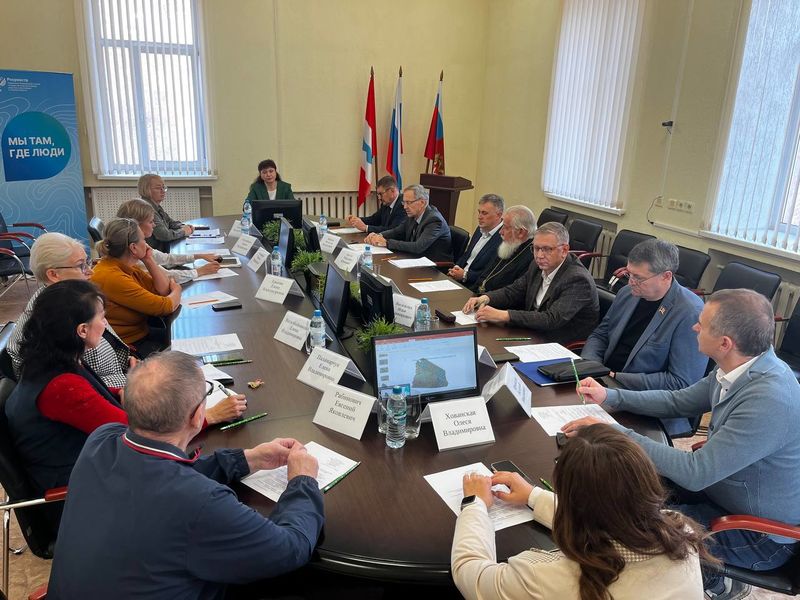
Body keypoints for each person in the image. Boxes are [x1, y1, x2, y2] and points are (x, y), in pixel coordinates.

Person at [563, 289, 800, 599]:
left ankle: (716, 583)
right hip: (723, 492)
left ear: (725, 343)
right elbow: (678, 401)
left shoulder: (769, 398)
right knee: (625, 490)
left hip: (756, 534)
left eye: (702, 324)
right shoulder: (741, 365)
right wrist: (612, 396)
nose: (694, 326)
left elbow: (695, 473)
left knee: (629, 529)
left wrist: (615, 432)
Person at [48, 351, 324, 599]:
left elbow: (159, 474)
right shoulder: (203, 502)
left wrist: (248, 459)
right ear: (196, 416)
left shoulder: (101, 439)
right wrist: (303, 480)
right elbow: (291, 549)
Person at [452, 423, 709, 600]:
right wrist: (533, 496)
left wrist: (474, 504)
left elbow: (470, 573)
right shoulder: (680, 530)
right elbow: (613, 516)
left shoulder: (545, 577)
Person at [580, 239, 706, 436]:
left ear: (666, 276)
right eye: (629, 273)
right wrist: (590, 366)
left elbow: (680, 383)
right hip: (603, 384)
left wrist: (615, 377)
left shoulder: (690, 313)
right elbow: (601, 334)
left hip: (648, 406)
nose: (631, 281)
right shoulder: (627, 293)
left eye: (638, 277)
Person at [6, 232, 132, 388]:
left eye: (88, 262)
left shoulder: (72, 299)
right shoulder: (58, 321)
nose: (90, 271)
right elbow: (81, 385)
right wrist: (134, 380)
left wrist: (128, 361)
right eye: (81, 266)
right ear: (53, 274)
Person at [462, 222, 598, 344]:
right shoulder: (537, 266)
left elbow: (552, 319)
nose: (539, 255)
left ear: (564, 250)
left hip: (558, 343)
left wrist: (504, 315)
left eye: (547, 249)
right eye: (536, 248)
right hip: (531, 333)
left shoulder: (577, 279)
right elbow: (514, 291)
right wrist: (486, 298)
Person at [91, 217, 181, 355]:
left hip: (143, 335)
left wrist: (148, 259)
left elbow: (163, 291)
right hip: (129, 348)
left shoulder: (125, 265)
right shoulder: (111, 276)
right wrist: (177, 290)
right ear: (133, 247)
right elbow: (164, 306)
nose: (146, 244)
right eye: (143, 240)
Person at [116, 199, 221, 284]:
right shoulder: (133, 253)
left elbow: (166, 258)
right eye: (151, 222)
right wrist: (200, 271)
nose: (154, 225)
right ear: (137, 225)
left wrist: (198, 256)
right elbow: (168, 277)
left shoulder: (140, 244)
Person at [364, 184, 453, 262]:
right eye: (404, 202)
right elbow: (397, 231)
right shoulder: (413, 214)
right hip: (416, 260)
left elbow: (418, 247)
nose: (405, 207)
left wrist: (387, 243)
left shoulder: (434, 220)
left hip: (435, 267)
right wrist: (378, 235)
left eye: (409, 203)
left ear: (422, 202)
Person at [472, 205, 537, 294]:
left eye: (505, 227)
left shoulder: (532, 258)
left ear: (521, 232)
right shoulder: (509, 245)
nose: (500, 232)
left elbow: (513, 293)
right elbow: (485, 274)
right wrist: (472, 293)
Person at [447, 194, 503, 290]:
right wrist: (456, 268)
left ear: (499, 215)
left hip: (475, 287)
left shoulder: (503, 237)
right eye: (479, 212)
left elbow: (490, 272)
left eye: (484, 213)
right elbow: (467, 254)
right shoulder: (480, 228)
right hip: (458, 280)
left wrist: (465, 275)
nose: (479, 217)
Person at [137, 173, 194, 252]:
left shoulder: (156, 206)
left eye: (163, 187)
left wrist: (184, 226)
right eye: (158, 188)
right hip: (154, 253)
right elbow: (164, 235)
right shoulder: (146, 208)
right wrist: (183, 232)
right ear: (146, 190)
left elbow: (170, 222)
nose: (163, 191)